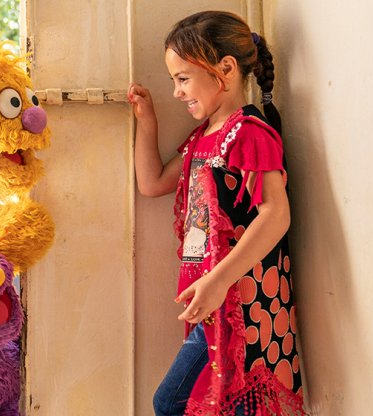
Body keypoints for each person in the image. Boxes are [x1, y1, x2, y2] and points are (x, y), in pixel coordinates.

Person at [129, 11, 306, 416]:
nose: (177, 91)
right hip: (212, 303)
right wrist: (148, 121)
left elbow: (276, 215)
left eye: (183, 78)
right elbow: (152, 182)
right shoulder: (205, 137)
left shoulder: (248, 133)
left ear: (225, 68)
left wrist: (217, 282)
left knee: (171, 403)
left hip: (239, 304)